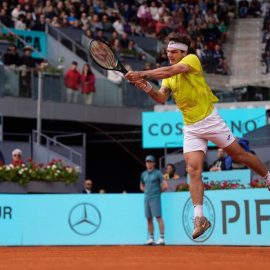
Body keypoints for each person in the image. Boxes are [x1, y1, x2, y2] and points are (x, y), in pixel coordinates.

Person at [125, 32, 270, 240]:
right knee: (193, 169)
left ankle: (268, 178)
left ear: (183, 52)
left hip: (209, 120)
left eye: (173, 52)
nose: (170, 55)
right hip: (191, 127)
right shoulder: (169, 76)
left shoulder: (191, 60)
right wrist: (145, 86)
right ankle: (199, 218)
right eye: (168, 52)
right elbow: (160, 96)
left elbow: (170, 71)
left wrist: (142, 74)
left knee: (239, 155)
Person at [140, 155, 168, 245]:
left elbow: (165, 185)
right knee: (149, 218)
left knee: (158, 217)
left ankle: (162, 238)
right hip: (146, 198)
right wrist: (147, 191)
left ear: (154, 163)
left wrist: (158, 192)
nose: (148, 163)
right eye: (147, 161)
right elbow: (141, 185)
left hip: (155, 198)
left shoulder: (158, 173)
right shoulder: (143, 174)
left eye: (150, 161)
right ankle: (151, 238)